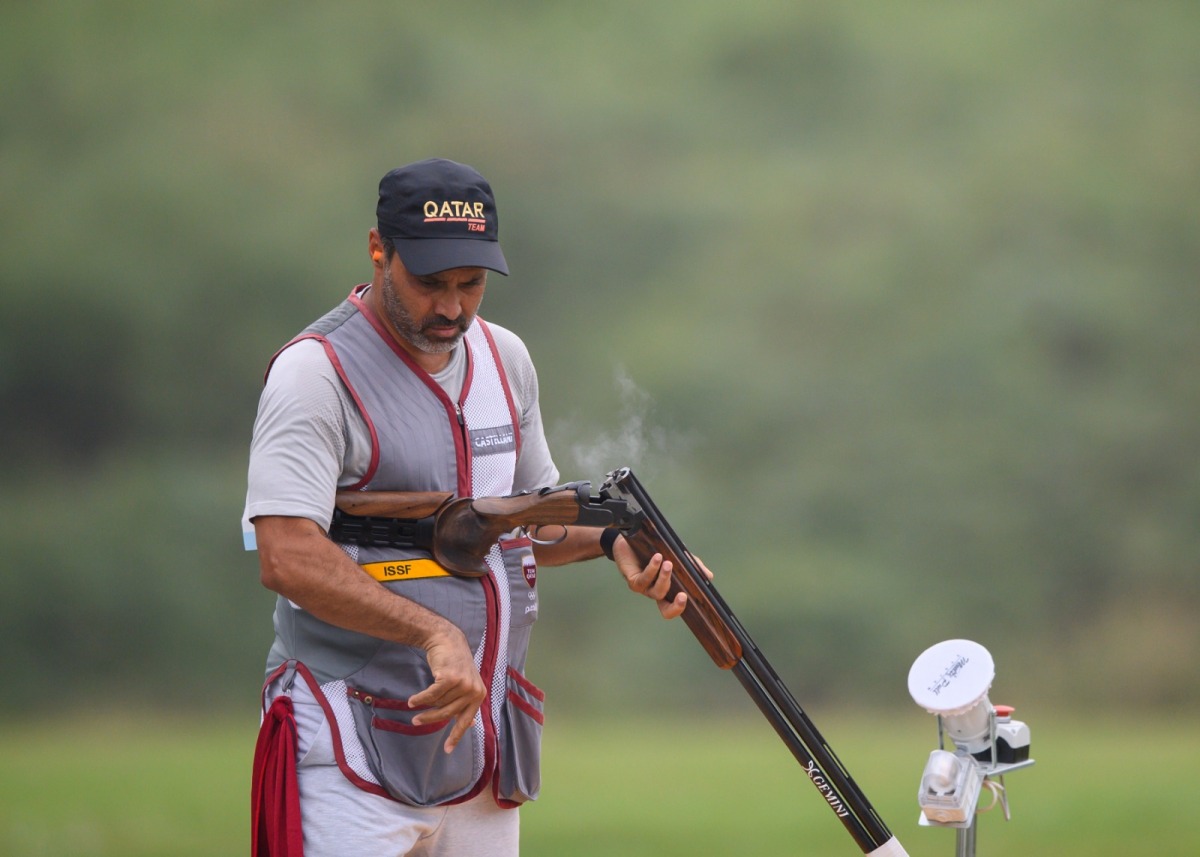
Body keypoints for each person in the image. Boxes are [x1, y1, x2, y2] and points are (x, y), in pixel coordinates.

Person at [243, 157, 691, 857]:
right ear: (376, 249)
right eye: (430, 284)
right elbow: (287, 554)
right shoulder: (315, 371)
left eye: (471, 284)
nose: (452, 307)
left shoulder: (506, 358)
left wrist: (613, 542)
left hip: (482, 750)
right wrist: (434, 634)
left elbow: (527, 526)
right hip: (348, 742)